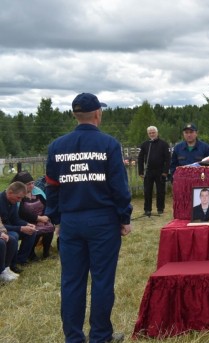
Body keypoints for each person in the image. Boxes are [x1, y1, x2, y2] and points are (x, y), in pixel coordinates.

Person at [45, 92, 132, 343]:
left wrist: (57, 219)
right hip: (102, 221)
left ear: (75, 115)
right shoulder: (108, 144)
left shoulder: (57, 146)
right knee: (102, 281)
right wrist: (124, 218)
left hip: (71, 221)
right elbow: (119, 186)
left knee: (71, 282)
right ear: (97, 114)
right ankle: (100, 336)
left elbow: (52, 187)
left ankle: (73, 337)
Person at [11, 171, 55, 260]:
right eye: (28, 184)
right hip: (25, 221)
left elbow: (46, 204)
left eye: (32, 183)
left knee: (49, 226)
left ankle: (46, 252)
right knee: (34, 228)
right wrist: (38, 219)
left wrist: (46, 216)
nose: (31, 186)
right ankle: (30, 253)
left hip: (41, 218)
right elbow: (21, 212)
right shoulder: (18, 194)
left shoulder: (37, 191)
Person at [0, 181, 37, 273]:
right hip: (3, 230)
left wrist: (27, 224)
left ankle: (21, 260)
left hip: (9, 228)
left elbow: (16, 219)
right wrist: (20, 228)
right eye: (18, 197)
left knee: (31, 232)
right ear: (10, 192)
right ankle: (10, 265)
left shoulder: (12, 201)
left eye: (21, 198)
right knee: (14, 235)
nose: (19, 200)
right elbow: (2, 226)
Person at [137, 126, 171, 216]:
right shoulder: (145, 144)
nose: (152, 134)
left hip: (160, 171)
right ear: (148, 134)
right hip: (148, 171)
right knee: (147, 191)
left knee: (160, 191)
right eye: (150, 133)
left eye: (153, 132)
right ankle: (147, 209)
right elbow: (140, 158)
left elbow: (168, 159)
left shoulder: (164, 144)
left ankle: (160, 209)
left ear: (157, 133)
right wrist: (140, 171)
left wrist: (165, 171)